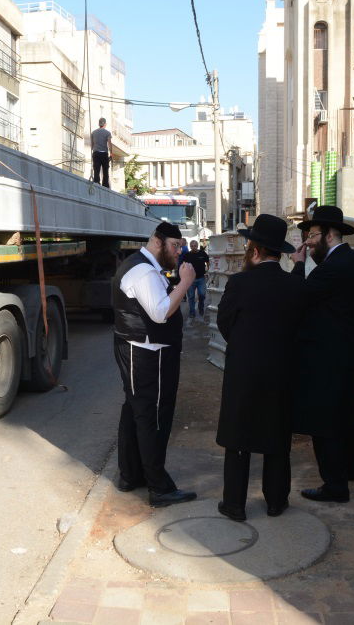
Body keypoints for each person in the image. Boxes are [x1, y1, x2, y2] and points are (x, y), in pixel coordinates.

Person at [215, 214, 301, 521]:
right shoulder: (294, 285)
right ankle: (276, 501)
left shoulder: (239, 283)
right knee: (276, 435)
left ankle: (234, 504)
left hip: (244, 371)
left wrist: (244, 346)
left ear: (255, 250)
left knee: (238, 436)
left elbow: (224, 322)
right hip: (281, 371)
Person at [112, 221, 198, 508]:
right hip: (148, 355)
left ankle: (131, 475)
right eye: (175, 246)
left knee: (136, 412)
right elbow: (160, 312)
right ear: (158, 242)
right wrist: (185, 282)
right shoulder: (144, 271)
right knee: (153, 419)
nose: (178, 252)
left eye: (180, 247)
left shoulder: (144, 266)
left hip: (141, 351)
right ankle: (158, 488)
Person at [291, 205, 354, 503]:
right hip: (349, 354)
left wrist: (298, 265)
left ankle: (335, 485)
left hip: (326, 358)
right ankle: (349, 468)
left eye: (312, 236)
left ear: (329, 235)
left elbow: (299, 296)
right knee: (346, 415)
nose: (308, 242)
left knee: (324, 421)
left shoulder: (331, 268)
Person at [182, 239, 210, 322]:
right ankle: (192, 312)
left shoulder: (202, 253)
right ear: (190, 246)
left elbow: (208, 261)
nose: (193, 247)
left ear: (197, 246)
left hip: (201, 278)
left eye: (195, 246)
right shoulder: (187, 255)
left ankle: (201, 307)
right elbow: (184, 265)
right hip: (190, 279)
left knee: (202, 294)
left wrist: (208, 269)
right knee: (191, 297)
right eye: (192, 246)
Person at [91, 118, 112, 188]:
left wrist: (93, 152)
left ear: (99, 124)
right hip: (104, 153)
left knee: (96, 169)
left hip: (96, 153)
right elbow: (109, 144)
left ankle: (96, 182)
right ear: (105, 124)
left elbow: (92, 144)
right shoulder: (107, 133)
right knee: (105, 170)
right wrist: (111, 153)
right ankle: (105, 185)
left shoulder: (93, 133)